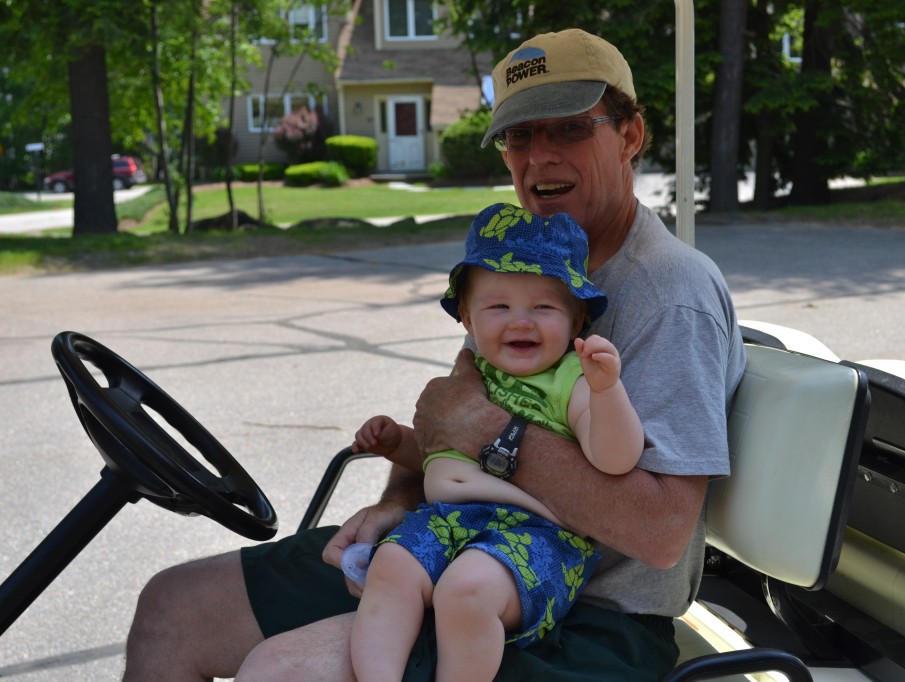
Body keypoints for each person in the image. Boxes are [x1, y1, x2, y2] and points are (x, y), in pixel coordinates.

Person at [122, 28, 746, 682]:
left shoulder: (672, 295)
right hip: (453, 547)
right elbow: (454, 422)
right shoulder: (525, 268)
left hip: (587, 622)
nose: (538, 159)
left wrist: (495, 436)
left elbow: (660, 532)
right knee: (172, 607)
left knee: (281, 670)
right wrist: (398, 497)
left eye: (568, 129)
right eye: (518, 137)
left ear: (630, 136)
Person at [345, 201, 644, 681]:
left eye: (543, 307)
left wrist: (608, 392)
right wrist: (396, 440)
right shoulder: (473, 374)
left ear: (577, 318)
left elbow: (616, 458)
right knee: (392, 567)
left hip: (539, 538)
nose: (521, 321)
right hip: (448, 520)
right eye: (499, 306)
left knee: (466, 590)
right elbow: (434, 456)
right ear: (467, 316)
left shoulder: (572, 380)